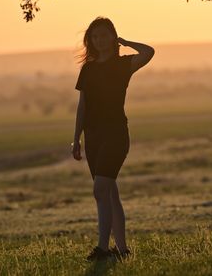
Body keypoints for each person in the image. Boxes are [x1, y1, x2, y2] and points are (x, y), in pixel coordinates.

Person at [72, 16, 155, 261]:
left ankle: (102, 250)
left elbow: (149, 52)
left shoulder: (123, 65)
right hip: (93, 137)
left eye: (105, 35)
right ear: (91, 41)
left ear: (113, 36)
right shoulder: (88, 69)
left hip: (116, 134)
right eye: (95, 37)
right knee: (110, 193)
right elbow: (82, 105)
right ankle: (122, 249)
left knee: (100, 190)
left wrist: (127, 42)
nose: (100, 40)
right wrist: (76, 138)